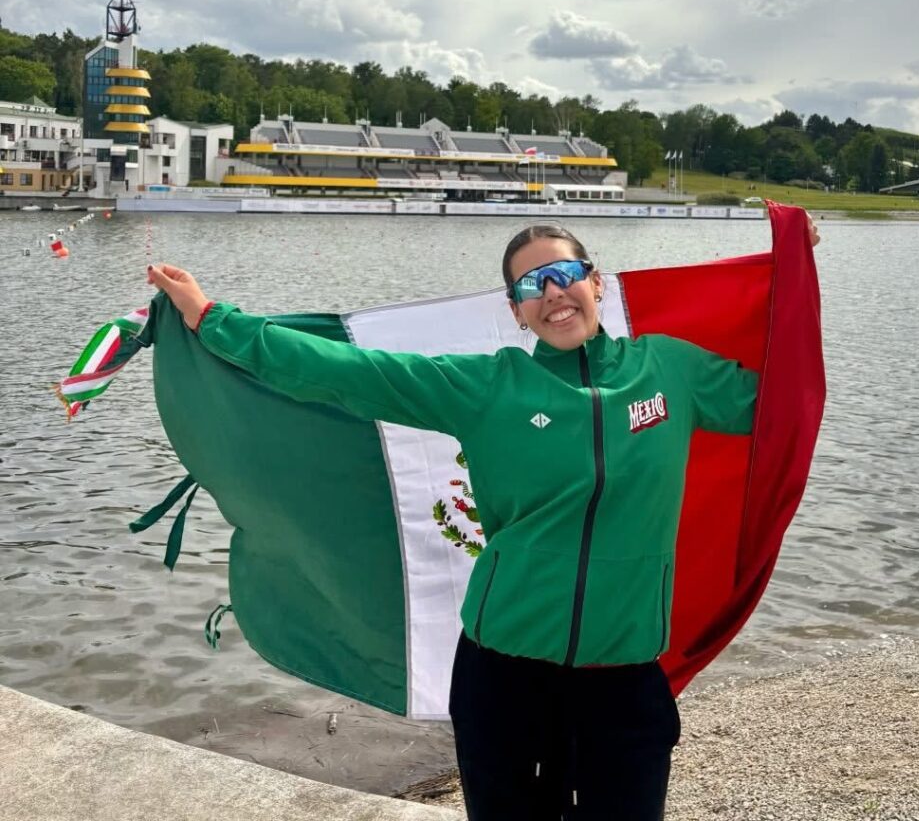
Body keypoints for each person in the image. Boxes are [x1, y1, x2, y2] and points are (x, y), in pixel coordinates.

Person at [147, 216, 820, 821]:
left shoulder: (668, 370)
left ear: (596, 281)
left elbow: (786, 400)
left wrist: (797, 279)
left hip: (624, 674)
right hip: (503, 674)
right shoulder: (489, 386)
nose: (552, 292)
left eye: (564, 273)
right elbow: (348, 371)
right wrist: (211, 319)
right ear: (517, 311)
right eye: (531, 286)